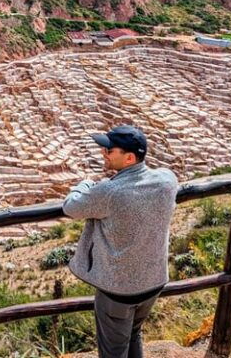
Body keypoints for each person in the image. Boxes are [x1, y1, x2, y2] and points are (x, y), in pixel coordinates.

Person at [62, 125, 178, 358]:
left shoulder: (110, 191)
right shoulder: (167, 180)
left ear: (129, 158)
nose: (103, 153)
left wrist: (85, 184)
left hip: (118, 291)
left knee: (113, 352)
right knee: (133, 334)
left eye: (109, 150)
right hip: (153, 283)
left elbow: (71, 207)